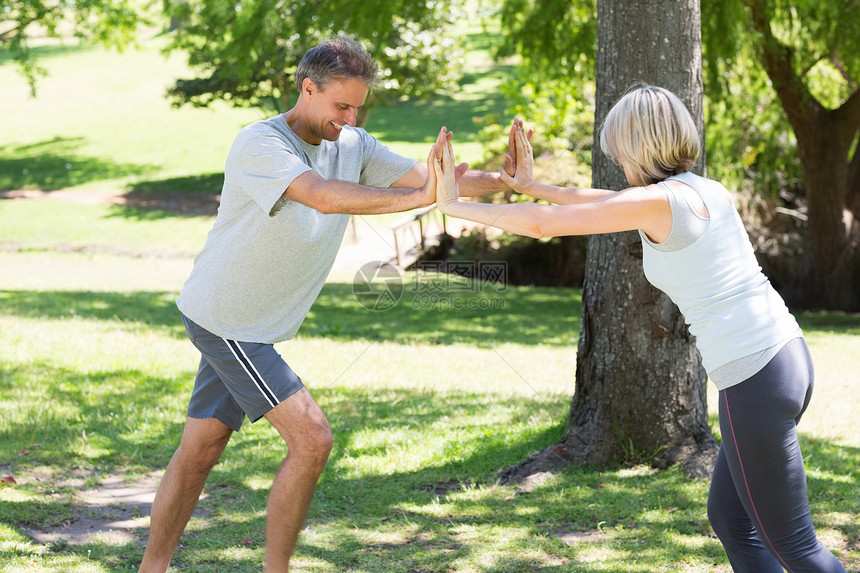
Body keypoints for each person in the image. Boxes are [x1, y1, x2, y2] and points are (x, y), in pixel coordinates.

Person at [138, 35, 517, 573]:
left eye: (358, 106)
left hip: (253, 324)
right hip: (228, 321)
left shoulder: (353, 144)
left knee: (200, 449)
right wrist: (417, 199)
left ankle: (150, 569)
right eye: (341, 105)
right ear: (307, 88)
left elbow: (435, 180)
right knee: (313, 439)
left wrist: (506, 180)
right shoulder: (261, 144)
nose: (350, 116)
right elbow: (320, 193)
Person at [432, 85, 847, 573]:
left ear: (638, 147)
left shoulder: (660, 202)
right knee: (733, 521)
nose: (618, 165)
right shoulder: (696, 190)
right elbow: (604, 201)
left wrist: (454, 206)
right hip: (785, 359)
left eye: (619, 154)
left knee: (795, 547)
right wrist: (532, 186)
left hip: (754, 376)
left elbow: (544, 226)